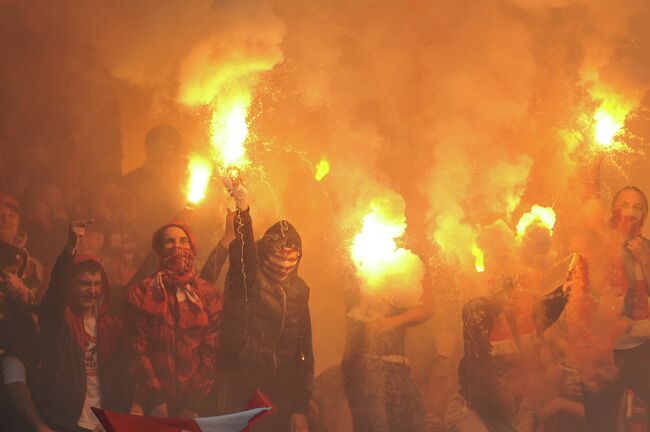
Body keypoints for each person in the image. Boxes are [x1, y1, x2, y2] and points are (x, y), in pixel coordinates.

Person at [217, 180, 313, 432]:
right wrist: (243, 209)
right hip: (240, 387)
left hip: (279, 395)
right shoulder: (247, 278)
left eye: (290, 259)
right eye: (277, 258)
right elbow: (243, 252)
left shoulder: (299, 290)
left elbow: (304, 351)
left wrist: (299, 408)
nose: (283, 266)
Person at [445, 273, 571, 432]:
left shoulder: (524, 330)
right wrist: (502, 298)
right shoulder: (479, 331)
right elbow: (473, 309)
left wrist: (564, 291)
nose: (519, 297)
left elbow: (544, 312)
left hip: (508, 415)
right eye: (513, 294)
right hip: (471, 412)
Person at [38, 220, 130, 432]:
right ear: (70, 285)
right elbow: (55, 290)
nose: (92, 290)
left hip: (104, 423)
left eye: (97, 284)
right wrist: (70, 249)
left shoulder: (110, 327)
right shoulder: (59, 323)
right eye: (84, 283)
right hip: (68, 424)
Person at [126, 219, 221, 418]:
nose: (176, 247)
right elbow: (138, 348)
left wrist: (195, 403)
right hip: (153, 403)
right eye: (169, 242)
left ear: (192, 247)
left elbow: (212, 352)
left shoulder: (208, 294)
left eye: (183, 241)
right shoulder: (142, 292)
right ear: (158, 249)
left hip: (196, 405)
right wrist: (155, 399)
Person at [581, 186, 650, 431]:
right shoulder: (595, 246)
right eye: (624, 205)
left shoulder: (647, 248)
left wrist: (645, 259)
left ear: (645, 217)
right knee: (600, 423)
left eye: (638, 207)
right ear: (613, 211)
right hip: (602, 351)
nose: (630, 212)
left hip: (642, 349)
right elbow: (582, 295)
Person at [341, 270, 432, 432]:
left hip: (393, 363)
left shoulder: (407, 260)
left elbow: (427, 307)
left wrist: (394, 321)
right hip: (359, 365)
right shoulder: (356, 259)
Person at [0, 240, 51, 432]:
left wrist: (23, 300)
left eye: (16, 273)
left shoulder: (16, 301)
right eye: (8, 273)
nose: (14, 279)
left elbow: (32, 341)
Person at [0, 194, 44, 302]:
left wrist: (23, 292)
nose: (5, 220)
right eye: (0, 215)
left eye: (11, 215)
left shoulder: (34, 267)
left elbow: (37, 304)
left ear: (19, 221)